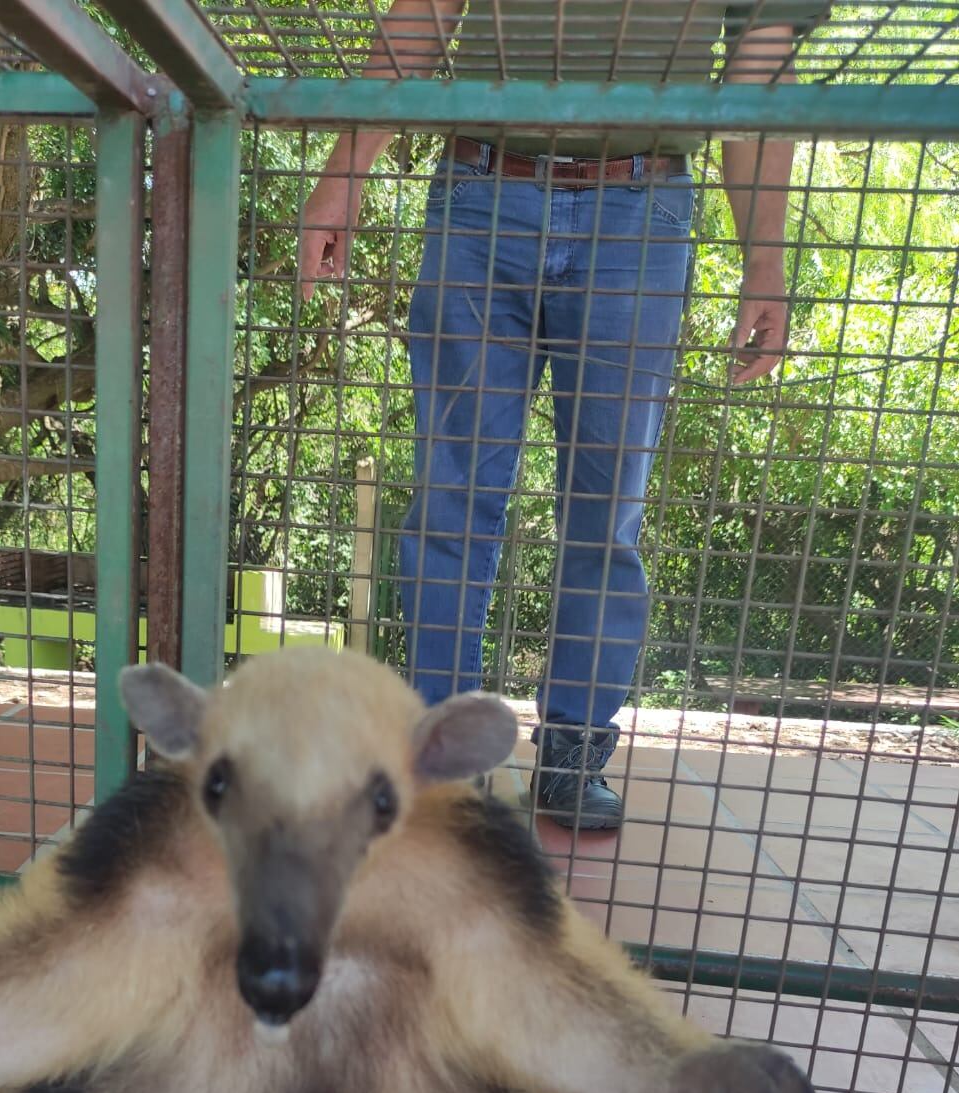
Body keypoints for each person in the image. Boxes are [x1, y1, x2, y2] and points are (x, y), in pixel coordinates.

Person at [300, 2, 823, 829]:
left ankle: (574, 759)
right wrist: (342, 179)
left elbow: (759, 67)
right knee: (451, 496)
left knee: (607, 511)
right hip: (480, 193)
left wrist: (764, 259)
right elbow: (422, 11)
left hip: (641, 210)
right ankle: (440, 762)